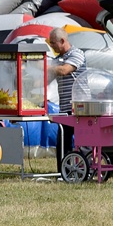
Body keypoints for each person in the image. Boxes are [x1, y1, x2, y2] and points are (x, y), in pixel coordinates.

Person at [47, 27, 86, 173]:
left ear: (62, 41)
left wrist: (45, 66)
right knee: (63, 142)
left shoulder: (77, 54)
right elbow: (47, 79)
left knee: (84, 141)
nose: (51, 46)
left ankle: (85, 169)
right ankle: (63, 172)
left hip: (80, 107)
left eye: (53, 43)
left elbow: (64, 70)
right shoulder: (57, 60)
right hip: (64, 108)